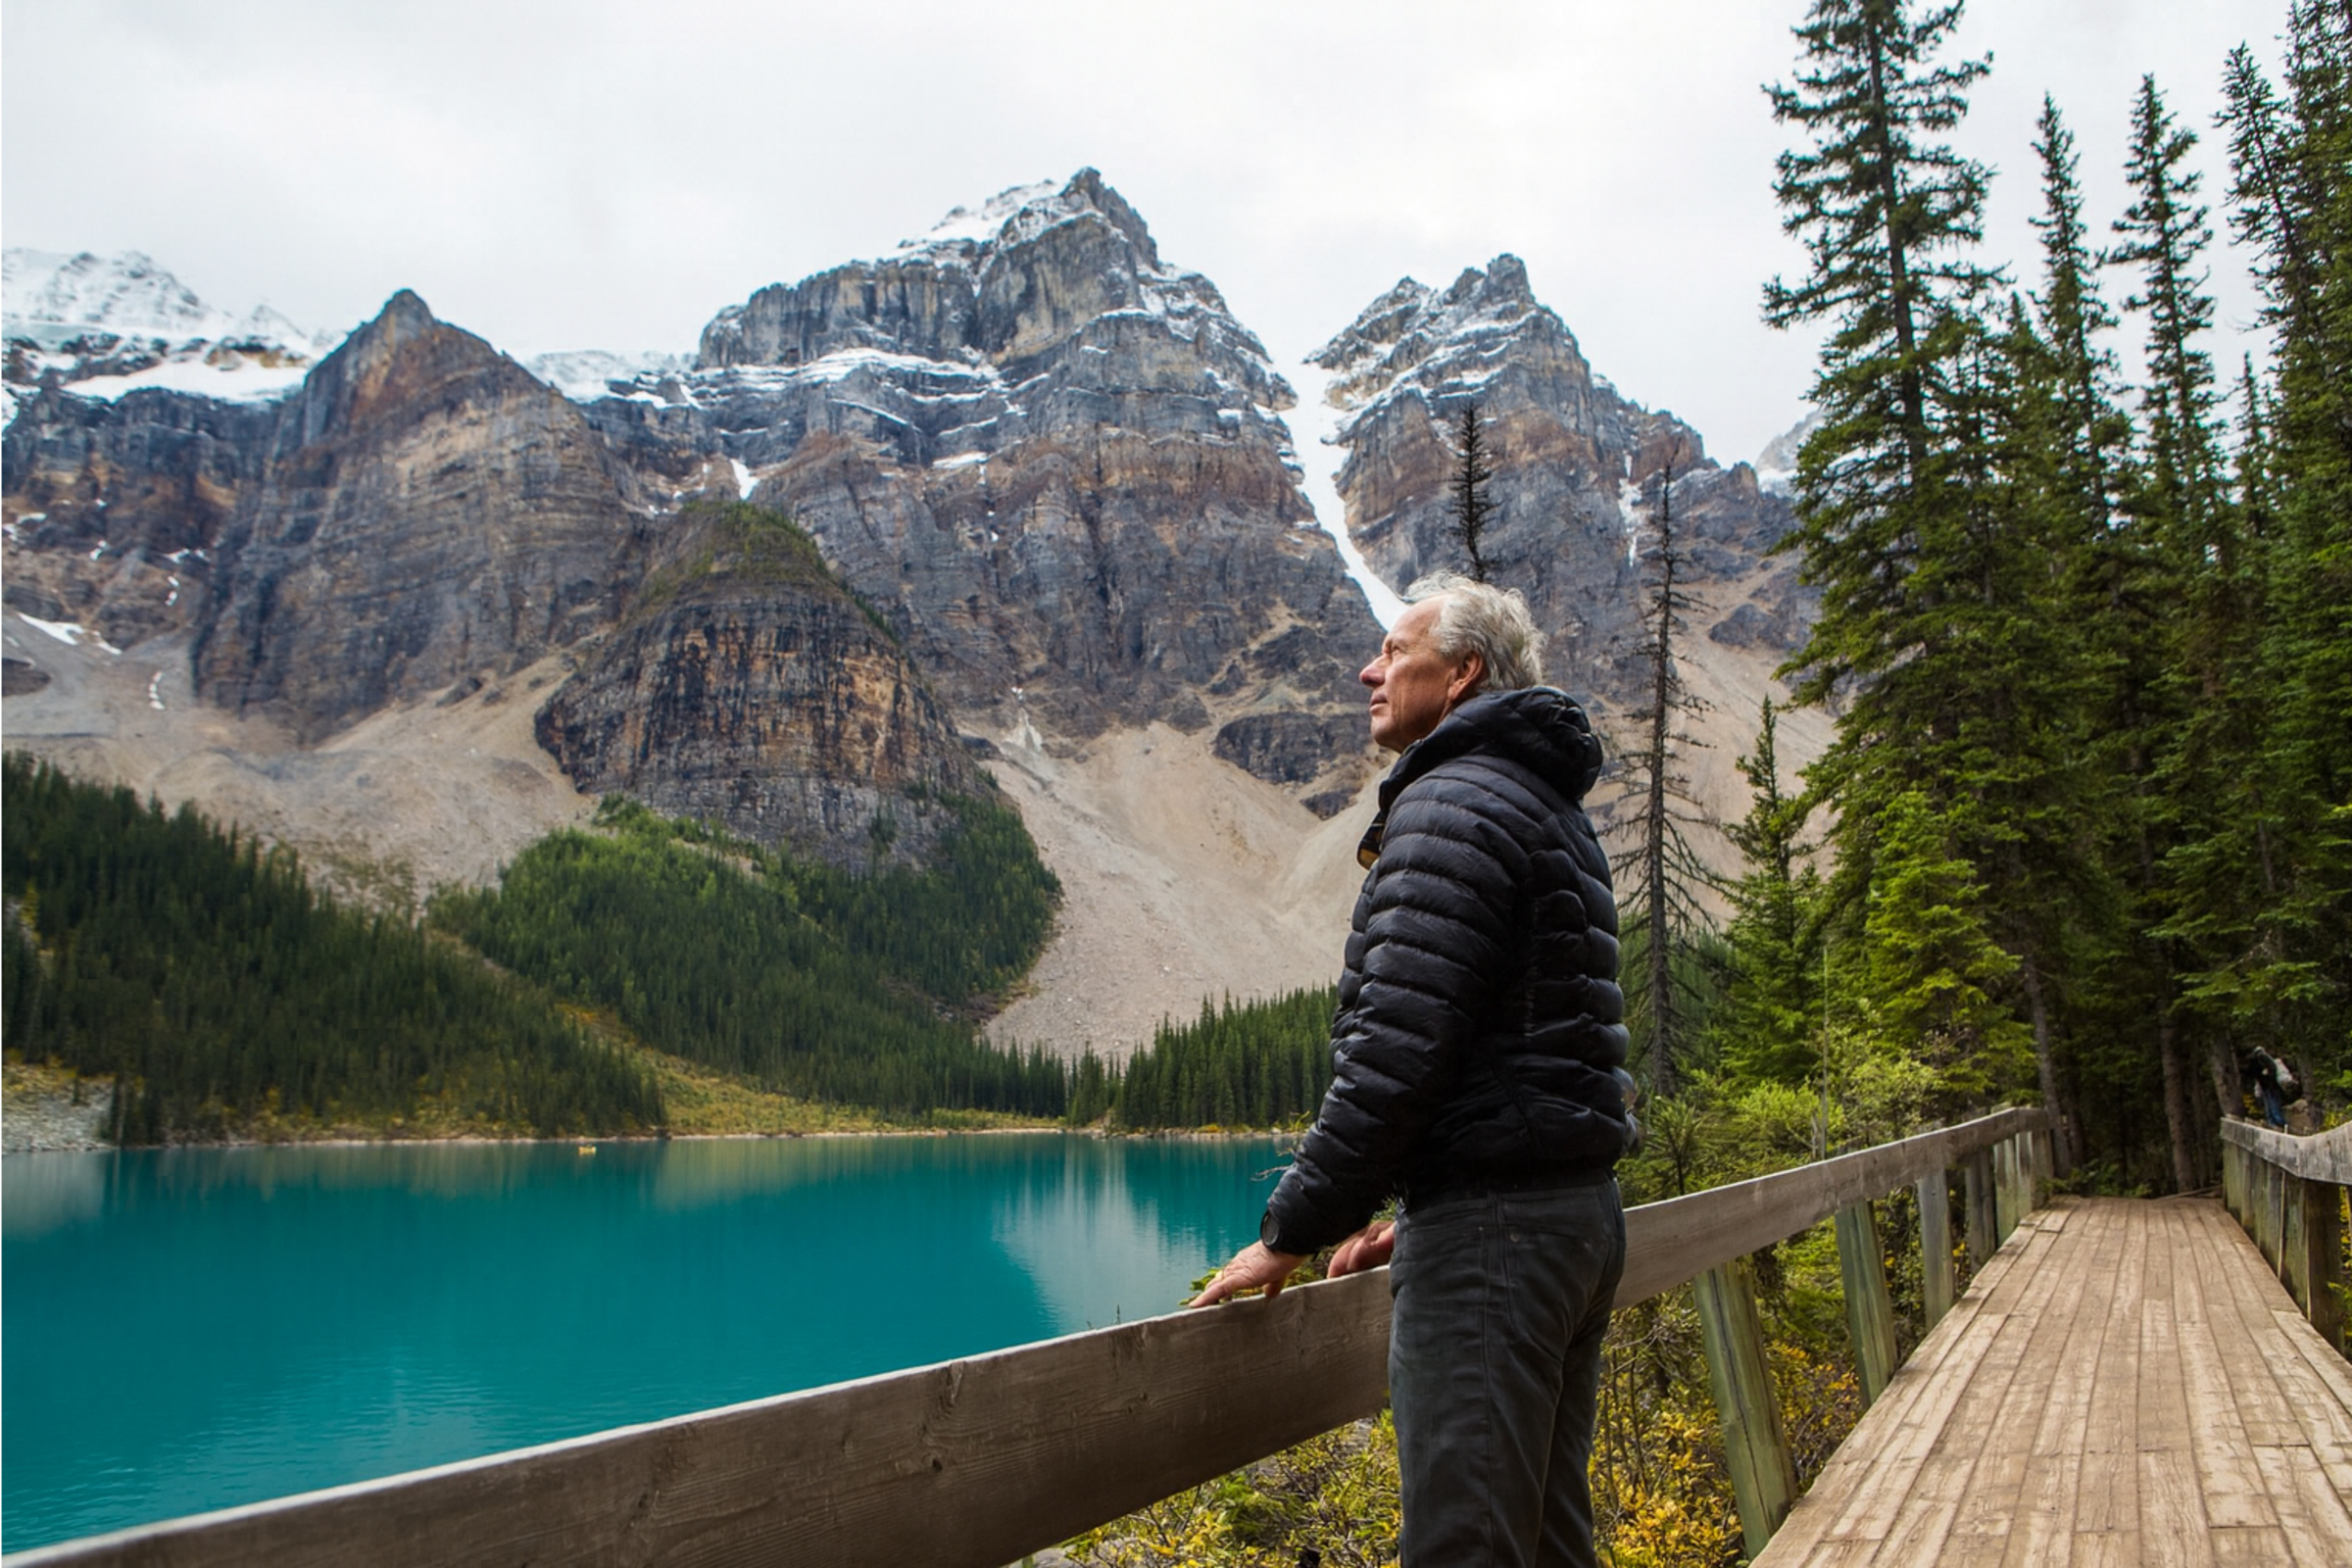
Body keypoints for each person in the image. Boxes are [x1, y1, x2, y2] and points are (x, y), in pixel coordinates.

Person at [1189, 572, 1634, 1568]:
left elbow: (1397, 1051)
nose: (1369, 670)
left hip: (1499, 1239)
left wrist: (1289, 1232)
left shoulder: (1450, 804)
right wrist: (1431, 1195)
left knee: (1464, 1546)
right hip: (1570, 1219)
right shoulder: (1543, 804)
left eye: (1395, 651)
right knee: (1548, 1539)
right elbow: (1525, 1044)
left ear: (1462, 671)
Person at [2248, 1047, 2292, 1129]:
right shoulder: (2264, 1062)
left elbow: (2270, 1073)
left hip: (2271, 1088)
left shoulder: (2266, 1061)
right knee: (2270, 1109)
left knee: (2274, 1109)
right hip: (2268, 1088)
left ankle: (2282, 1125)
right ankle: (2275, 1124)